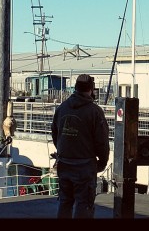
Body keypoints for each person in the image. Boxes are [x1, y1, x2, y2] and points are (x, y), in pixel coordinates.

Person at [51, 73, 110, 218]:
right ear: (91, 89)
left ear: (75, 88)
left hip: (64, 163)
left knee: (65, 202)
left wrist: (62, 151)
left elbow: (55, 133)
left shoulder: (62, 108)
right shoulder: (95, 111)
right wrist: (102, 162)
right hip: (85, 166)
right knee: (84, 204)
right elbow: (101, 141)